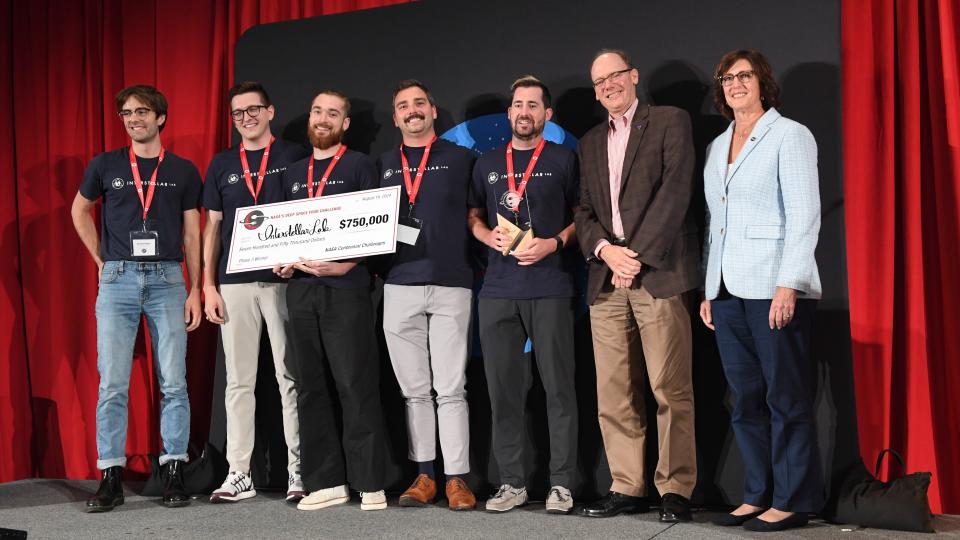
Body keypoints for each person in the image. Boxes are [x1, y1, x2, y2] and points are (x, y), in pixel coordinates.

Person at [699, 48, 823, 532]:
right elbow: (717, 223)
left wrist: (788, 284)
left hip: (773, 287)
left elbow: (804, 215)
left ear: (762, 82)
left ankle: (793, 499)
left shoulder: (789, 135)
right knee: (745, 398)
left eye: (744, 76)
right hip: (729, 292)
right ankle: (758, 492)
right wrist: (710, 290)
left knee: (785, 398)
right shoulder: (718, 144)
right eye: (727, 78)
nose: (735, 84)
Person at [574, 49, 700, 522]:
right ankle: (628, 485)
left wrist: (636, 258)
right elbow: (583, 211)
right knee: (613, 392)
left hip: (658, 273)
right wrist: (607, 252)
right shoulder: (589, 142)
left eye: (615, 76)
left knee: (670, 388)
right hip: (606, 278)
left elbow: (675, 191)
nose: (608, 85)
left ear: (633, 76)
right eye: (599, 81)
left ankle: (676, 489)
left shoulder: (670, 121)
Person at [71, 84, 202, 511]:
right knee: (112, 383)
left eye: (142, 112)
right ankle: (110, 474)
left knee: (174, 382)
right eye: (126, 113)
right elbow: (79, 210)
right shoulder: (106, 164)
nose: (133, 119)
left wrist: (196, 287)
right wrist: (101, 261)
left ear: (161, 118)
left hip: (168, 278)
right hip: (119, 278)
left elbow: (192, 231)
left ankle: (174, 470)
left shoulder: (182, 170)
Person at [468, 76, 580, 515]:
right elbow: (473, 215)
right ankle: (512, 482)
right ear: (509, 113)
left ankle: (561, 484)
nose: (524, 112)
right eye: (517, 105)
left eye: (533, 105)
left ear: (546, 116)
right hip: (497, 290)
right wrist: (484, 235)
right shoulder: (487, 162)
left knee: (558, 390)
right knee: (503, 392)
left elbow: (582, 218)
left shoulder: (564, 159)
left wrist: (555, 242)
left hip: (550, 287)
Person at [275, 90, 388, 512]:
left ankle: (370, 481)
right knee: (310, 387)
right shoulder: (292, 172)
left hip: (346, 289)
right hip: (301, 290)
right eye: (318, 111)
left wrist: (346, 265)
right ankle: (326, 481)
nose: (323, 119)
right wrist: (283, 263)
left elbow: (377, 224)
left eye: (333, 114)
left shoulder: (360, 165)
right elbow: (282, 230)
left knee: (355, 383)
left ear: (345, 124)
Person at [202, 82, 309, 503]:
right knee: (238, 382)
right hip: (235, 282)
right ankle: (239, 471)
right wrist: (207, 285)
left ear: (270, 112)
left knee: (290, 377)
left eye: (253, 110)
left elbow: (309, 212)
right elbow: (211, 227)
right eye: (237, 113)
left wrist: (299, 260)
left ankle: (298, 469)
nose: (245, 118)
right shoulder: (222, 163)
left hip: (284, 279)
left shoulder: (294, 156)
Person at [378, 80, 478, 511]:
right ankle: (425, 476)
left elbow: (479, 216)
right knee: (415, 392)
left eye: (419, 103)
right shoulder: (381, 164)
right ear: (395, 116)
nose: (412, 110)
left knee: (451, 388)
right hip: (398, 285)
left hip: (451, 282)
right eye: (403, 105)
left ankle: (458, 479)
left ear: (434, 111)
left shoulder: (462, 160)